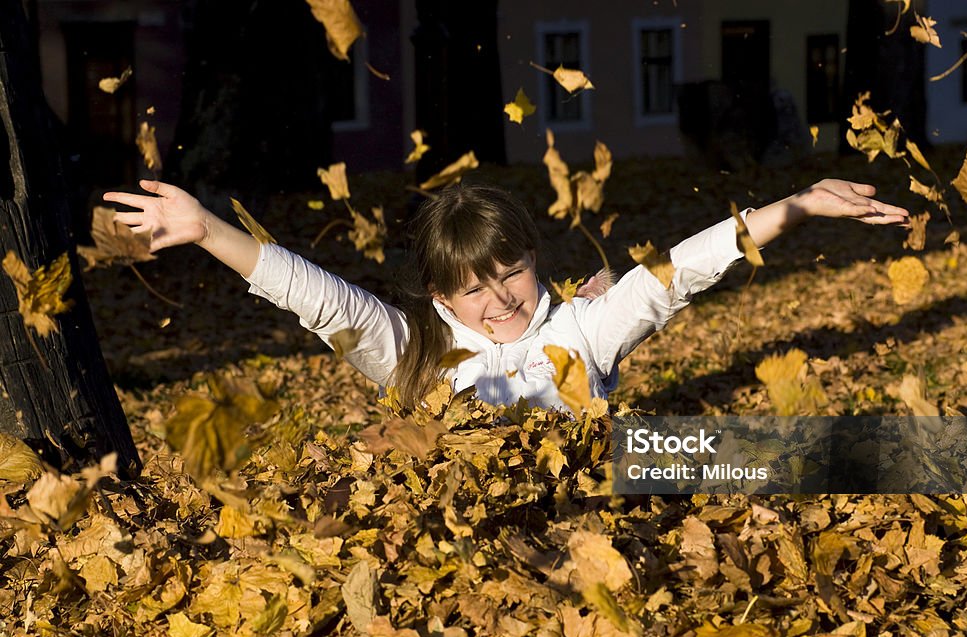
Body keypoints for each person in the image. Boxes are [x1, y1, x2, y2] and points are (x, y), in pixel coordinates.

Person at [103, 179, 909, 410]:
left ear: (534, 255)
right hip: (471, 545)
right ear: (439, 293)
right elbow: (322, 300)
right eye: (472, 288)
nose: (501, 301)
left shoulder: (587, 327)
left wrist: (794, 208)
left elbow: (674, 276)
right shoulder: (416, 354)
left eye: (511, 273)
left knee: (771, 461)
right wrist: (209, 230)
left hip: (594, 514)